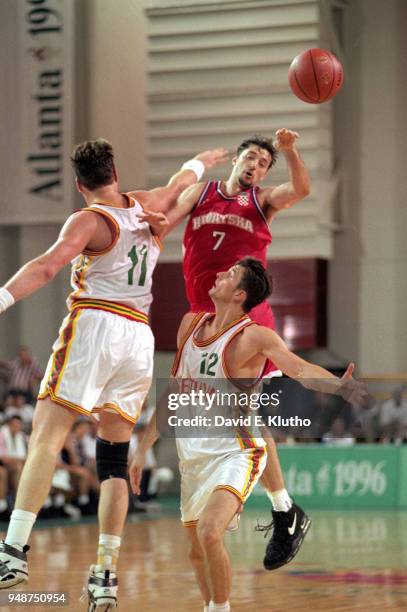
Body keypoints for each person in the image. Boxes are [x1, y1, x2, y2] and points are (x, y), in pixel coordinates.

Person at [0, 137, 228, 608]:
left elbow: (46, 268)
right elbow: (182, 183)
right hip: (138, 339)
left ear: (80, 183)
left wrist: (2, 297)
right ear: (115, 173)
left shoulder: (88, 219)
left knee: (46, 435)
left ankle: (13, 550)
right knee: (111, 459)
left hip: (96, 325)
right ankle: (105, 572)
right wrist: (199, 161)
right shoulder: (147, 204)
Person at [129, 258, 365, 612]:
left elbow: (297, 367)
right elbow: (174, 394)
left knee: (210, 532)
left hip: (237, 450)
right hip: (192, 455)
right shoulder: (189, 325)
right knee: (196, 551)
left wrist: (337, 385)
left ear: (239, 294)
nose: (220, 273)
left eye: (229, 274)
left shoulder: (254, 336)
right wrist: (142, 448)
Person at [162, 131, 312, 570]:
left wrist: (291, 150)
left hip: (246, 319)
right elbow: (167, 219)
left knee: (243, 414)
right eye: (252, 158)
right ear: (237, 160)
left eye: (265, 164)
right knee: (209, 412)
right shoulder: (202, 193)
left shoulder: (262, 202)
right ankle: (274, 508)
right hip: (203, 316)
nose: (256, 167)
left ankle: (280, 508)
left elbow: (302, 189)